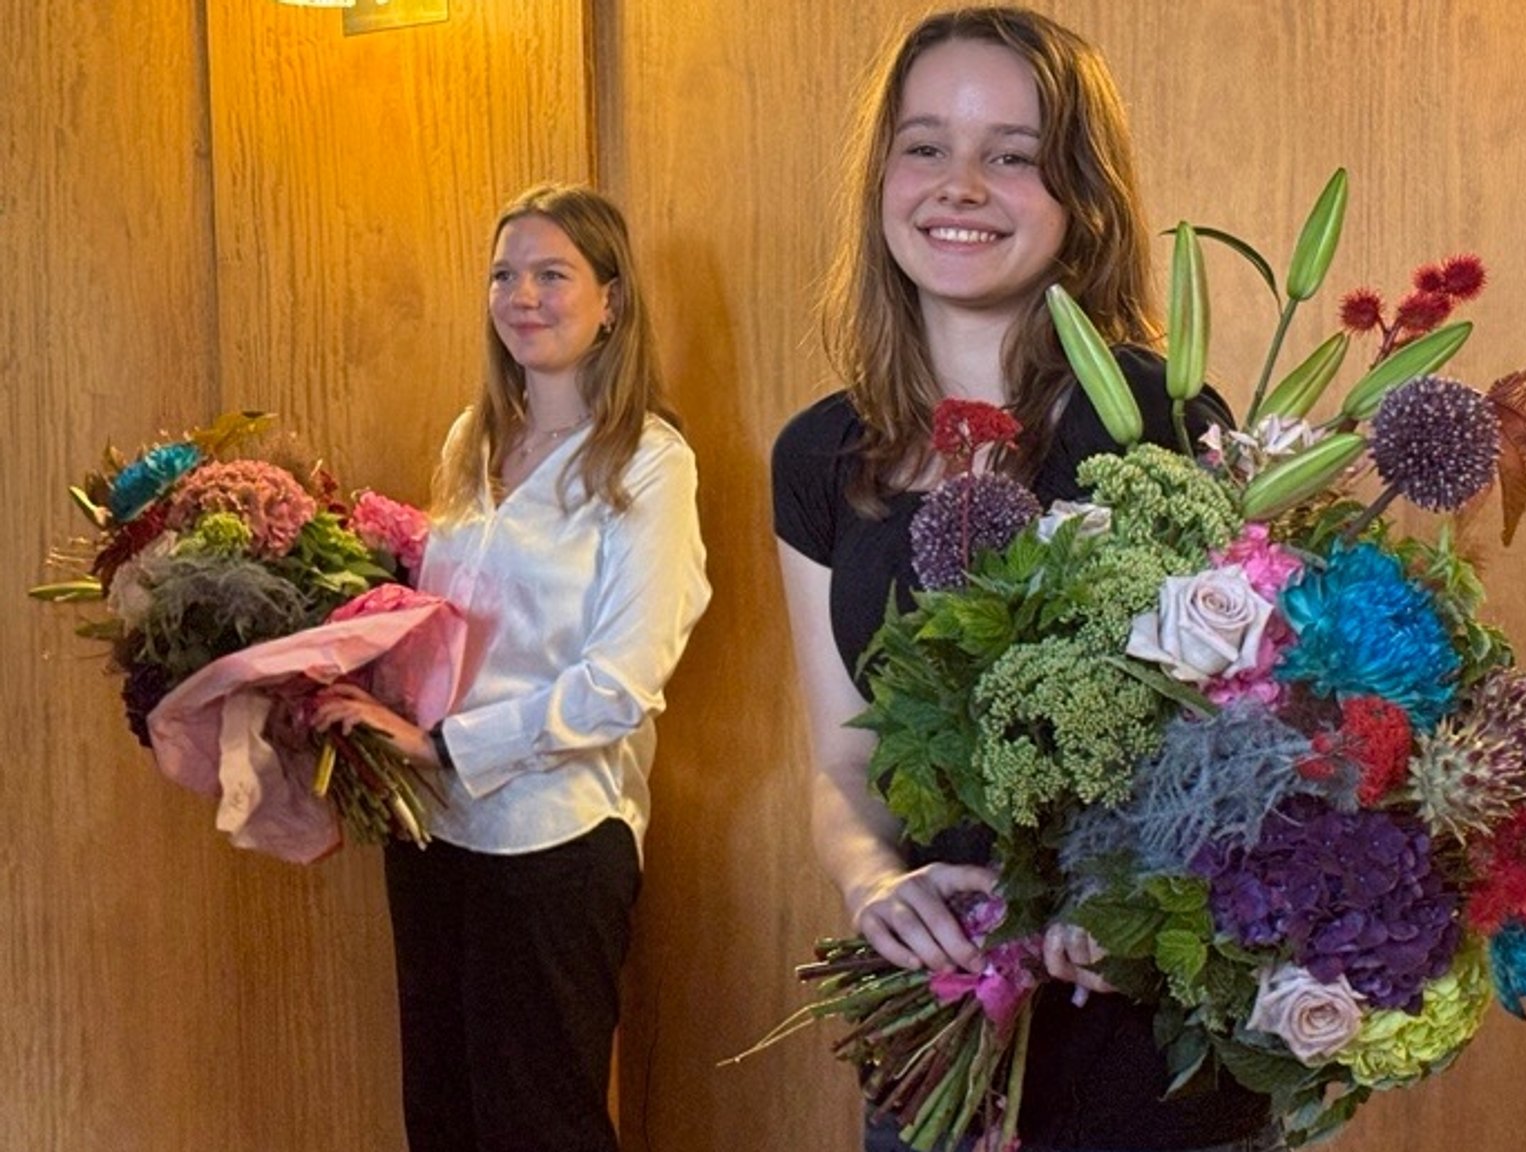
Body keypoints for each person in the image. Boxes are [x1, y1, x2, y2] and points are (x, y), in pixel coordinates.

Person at [771, 10, 1275, 1151]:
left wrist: (1128, 902)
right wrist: (871, 888)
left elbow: (1243, 744)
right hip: (936, 1033)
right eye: (923, 146)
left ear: (1077, 197)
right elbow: (842, 761)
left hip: (1136, 1049)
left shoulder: (1160, 423)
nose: (961, 184)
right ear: (881, 178)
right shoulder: (815, 460)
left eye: (1010, 152)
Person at [313, 182, 711, 1152]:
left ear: (611, 300)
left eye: (550, 273)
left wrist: (446, 743)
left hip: (553, 844)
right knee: (441, 1120)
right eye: (503, 274)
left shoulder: (648, 464)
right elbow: (443, 625)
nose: (521, 295)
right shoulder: (470, 440)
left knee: (542, 1127)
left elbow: (620, 681)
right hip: (427, 831)